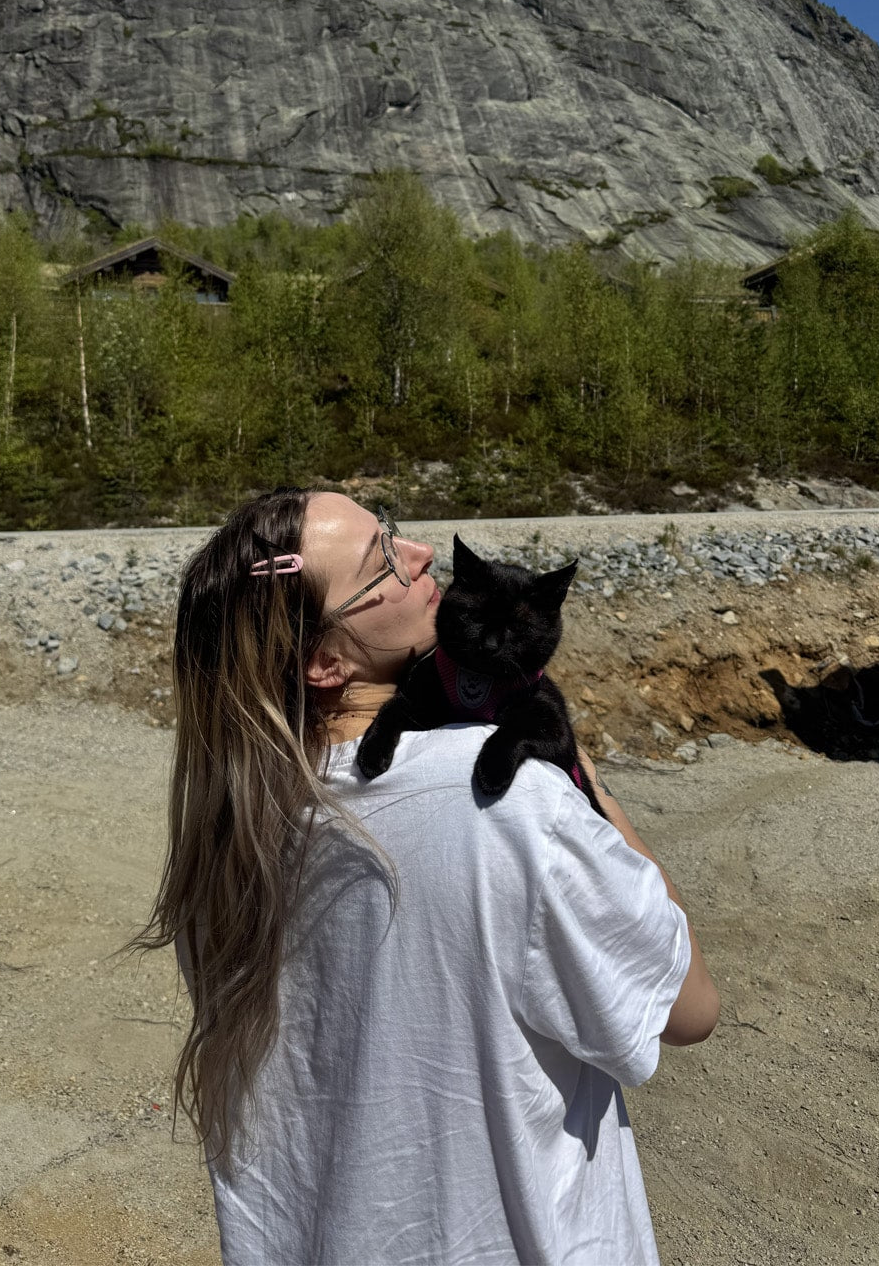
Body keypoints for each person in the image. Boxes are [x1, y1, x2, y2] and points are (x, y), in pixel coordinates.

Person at [134, 488, 719, 1265]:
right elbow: (688, 1009)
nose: (420, 557)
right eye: (383, 560)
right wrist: (581, 778)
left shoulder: (228, 836)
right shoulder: (511, 804)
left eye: (396, 536)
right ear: (324, 661)